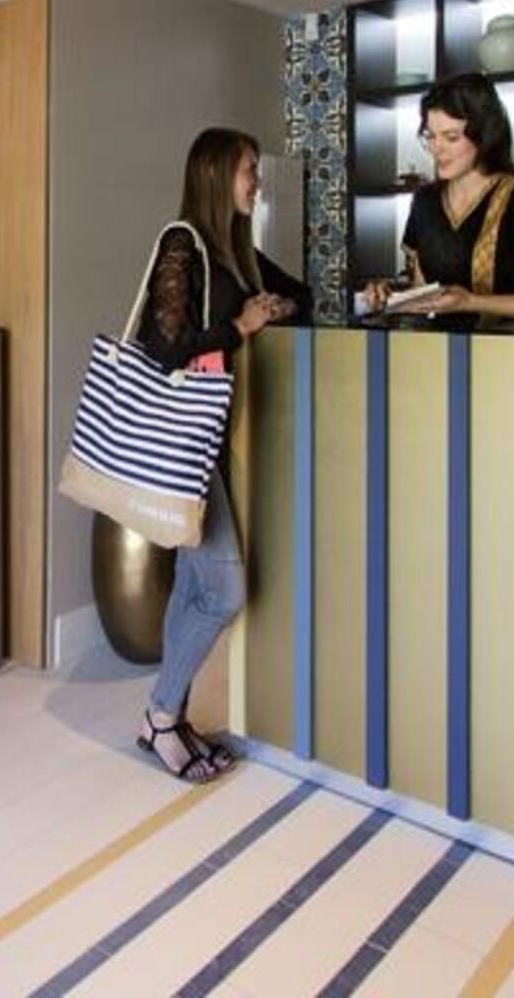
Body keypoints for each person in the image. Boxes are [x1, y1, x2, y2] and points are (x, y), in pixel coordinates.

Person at [131, 127, 309, 783]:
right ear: (215, 175)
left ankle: (168, 717)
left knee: (191, 585)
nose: (256, 182)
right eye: (247, 170)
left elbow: (302, 294)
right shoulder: (183, 243)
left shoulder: (236, 253)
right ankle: (159, 714)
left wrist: (271, 305)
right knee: (225, 588)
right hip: (183, 442)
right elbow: (161, 346)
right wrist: (239, 325)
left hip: (208, 441)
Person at [362, 73, 514, 324]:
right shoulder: (425, 201)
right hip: (440, 347)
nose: (437, 149)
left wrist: (472, 302)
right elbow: (424, 294)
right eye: (430, 136)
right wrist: (389, 299)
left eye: (451, 137)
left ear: (485, 136)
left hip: (513, 346)